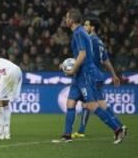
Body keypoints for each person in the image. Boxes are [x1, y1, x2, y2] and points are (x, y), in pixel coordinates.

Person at [52, 9, 126, 144]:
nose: (65, 19)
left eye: (67, 17)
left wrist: (72, 70)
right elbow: (78, 56)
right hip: (80, 74)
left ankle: (117, 129)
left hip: (85, 74)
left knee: (92, 105)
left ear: (72, 20)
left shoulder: (78, 33)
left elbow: (83, 54)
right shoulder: (80, 33)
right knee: (70, 103)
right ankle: (67, 136)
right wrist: (65, 66)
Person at [71, 18, 126, 138]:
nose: (84, 27)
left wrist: (74, 66)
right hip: (98, 75)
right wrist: (114, 75)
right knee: (98, 103)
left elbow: (87, 59)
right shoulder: (99, 41)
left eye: (86, 25)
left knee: (91, 104)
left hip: (91, 75)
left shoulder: (91, 40)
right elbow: (106, 61)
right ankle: (119, 126)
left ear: (92, 28)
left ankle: (118, 127)